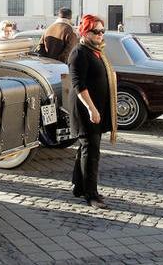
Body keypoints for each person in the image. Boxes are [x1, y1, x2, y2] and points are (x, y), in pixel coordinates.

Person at [67, 14, 117, 209]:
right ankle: (91, 194)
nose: (100, 35)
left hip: (96, 108)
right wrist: (91, 108)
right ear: (85, 32)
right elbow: (79, 84)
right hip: (85, 109)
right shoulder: (79, 53)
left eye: (102, 31)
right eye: (96, 31)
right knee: (91, 151)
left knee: (85, 148)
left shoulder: (97, 51)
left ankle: (78, 186)